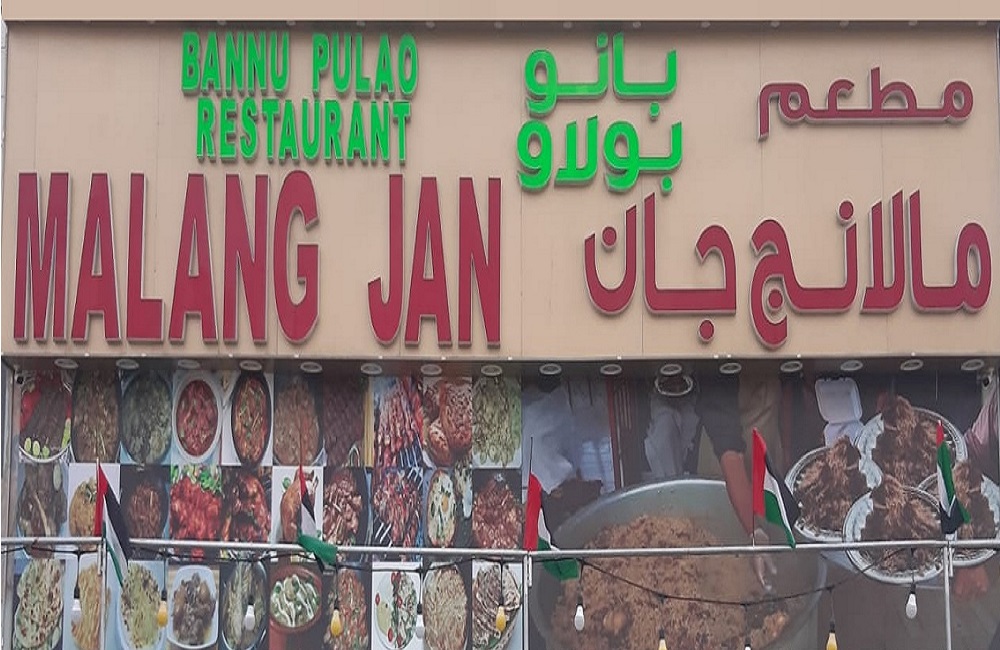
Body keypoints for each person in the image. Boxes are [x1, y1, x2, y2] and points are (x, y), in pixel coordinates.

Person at [644, 371, 779, 590]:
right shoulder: (717, 377)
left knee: (772, 543)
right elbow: (728, 446)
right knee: (718, 545)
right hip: (723, 459)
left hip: (764, 443)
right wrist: (755, 531)